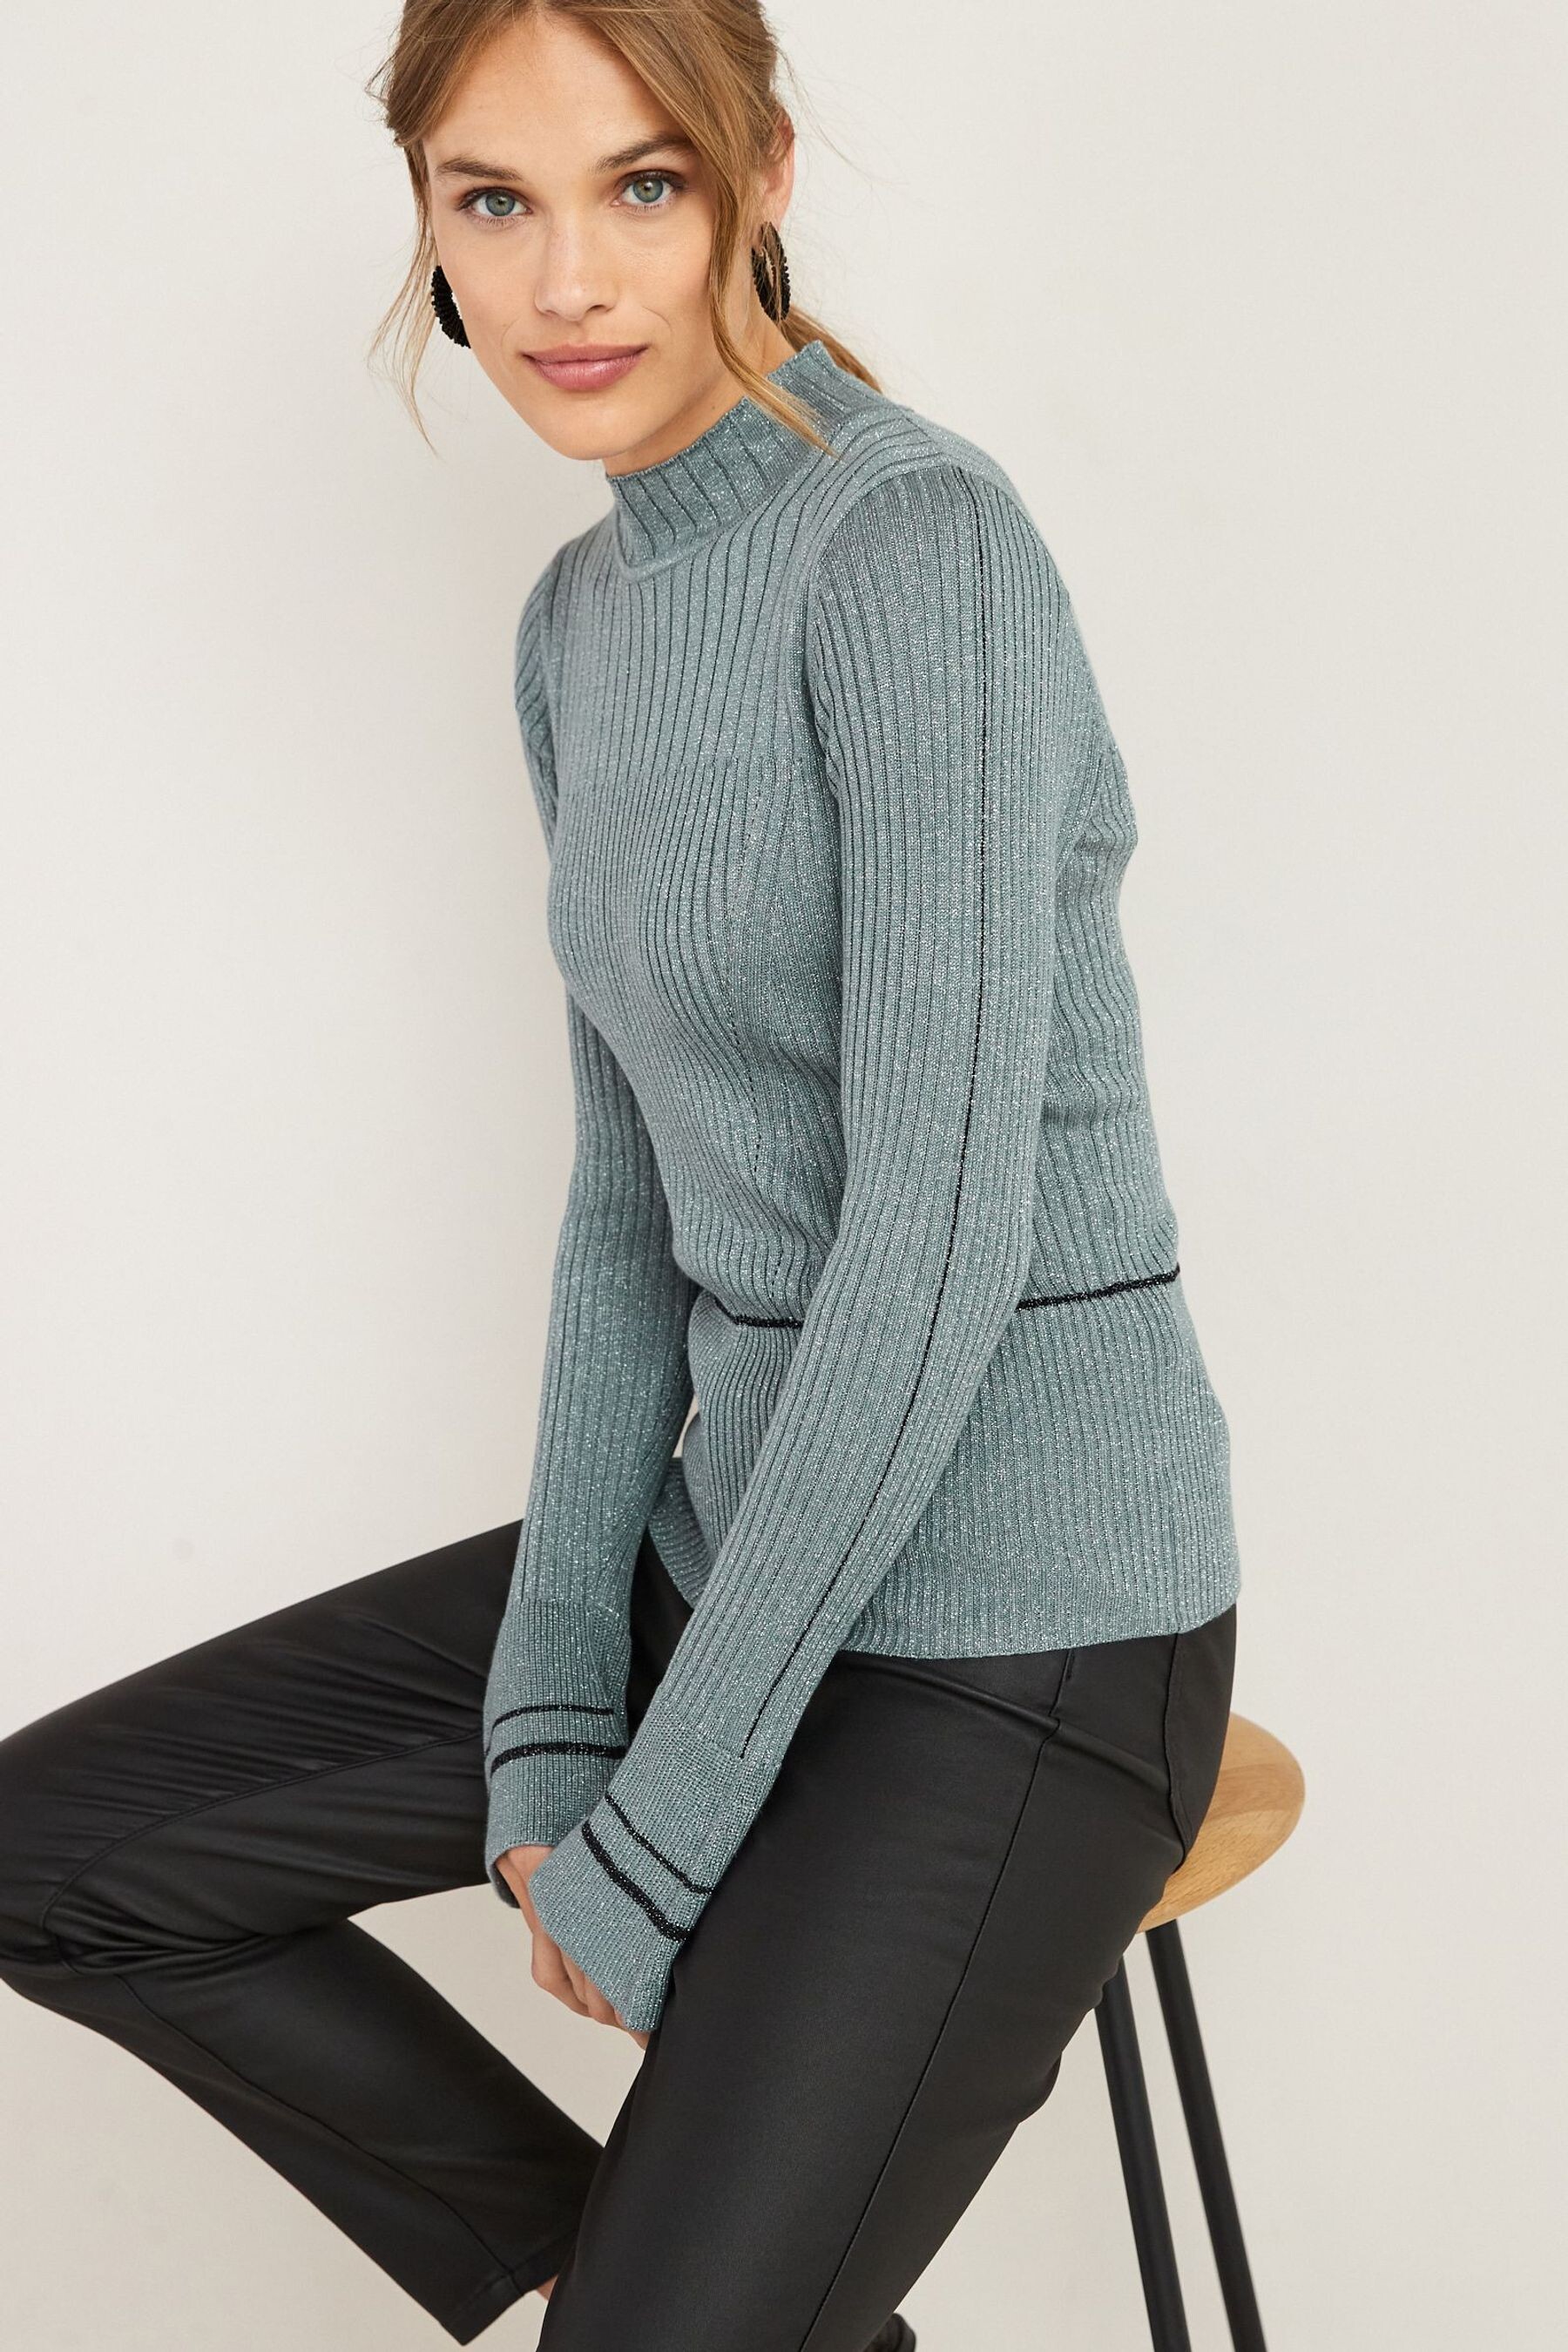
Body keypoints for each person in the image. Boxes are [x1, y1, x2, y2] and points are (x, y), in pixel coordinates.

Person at [0, 4, 1243, 2346]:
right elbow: (623, 1215)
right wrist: (563, 1703)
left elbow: (938, 1235)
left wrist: (663, 1823)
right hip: (743, 1544)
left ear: (758, 182)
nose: (565, 279)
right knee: (58, 1856)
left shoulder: (914, 542)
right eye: (495, 201)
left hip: (1025, 1627)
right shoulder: (580, 624)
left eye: (640, 186)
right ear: (431, 229)